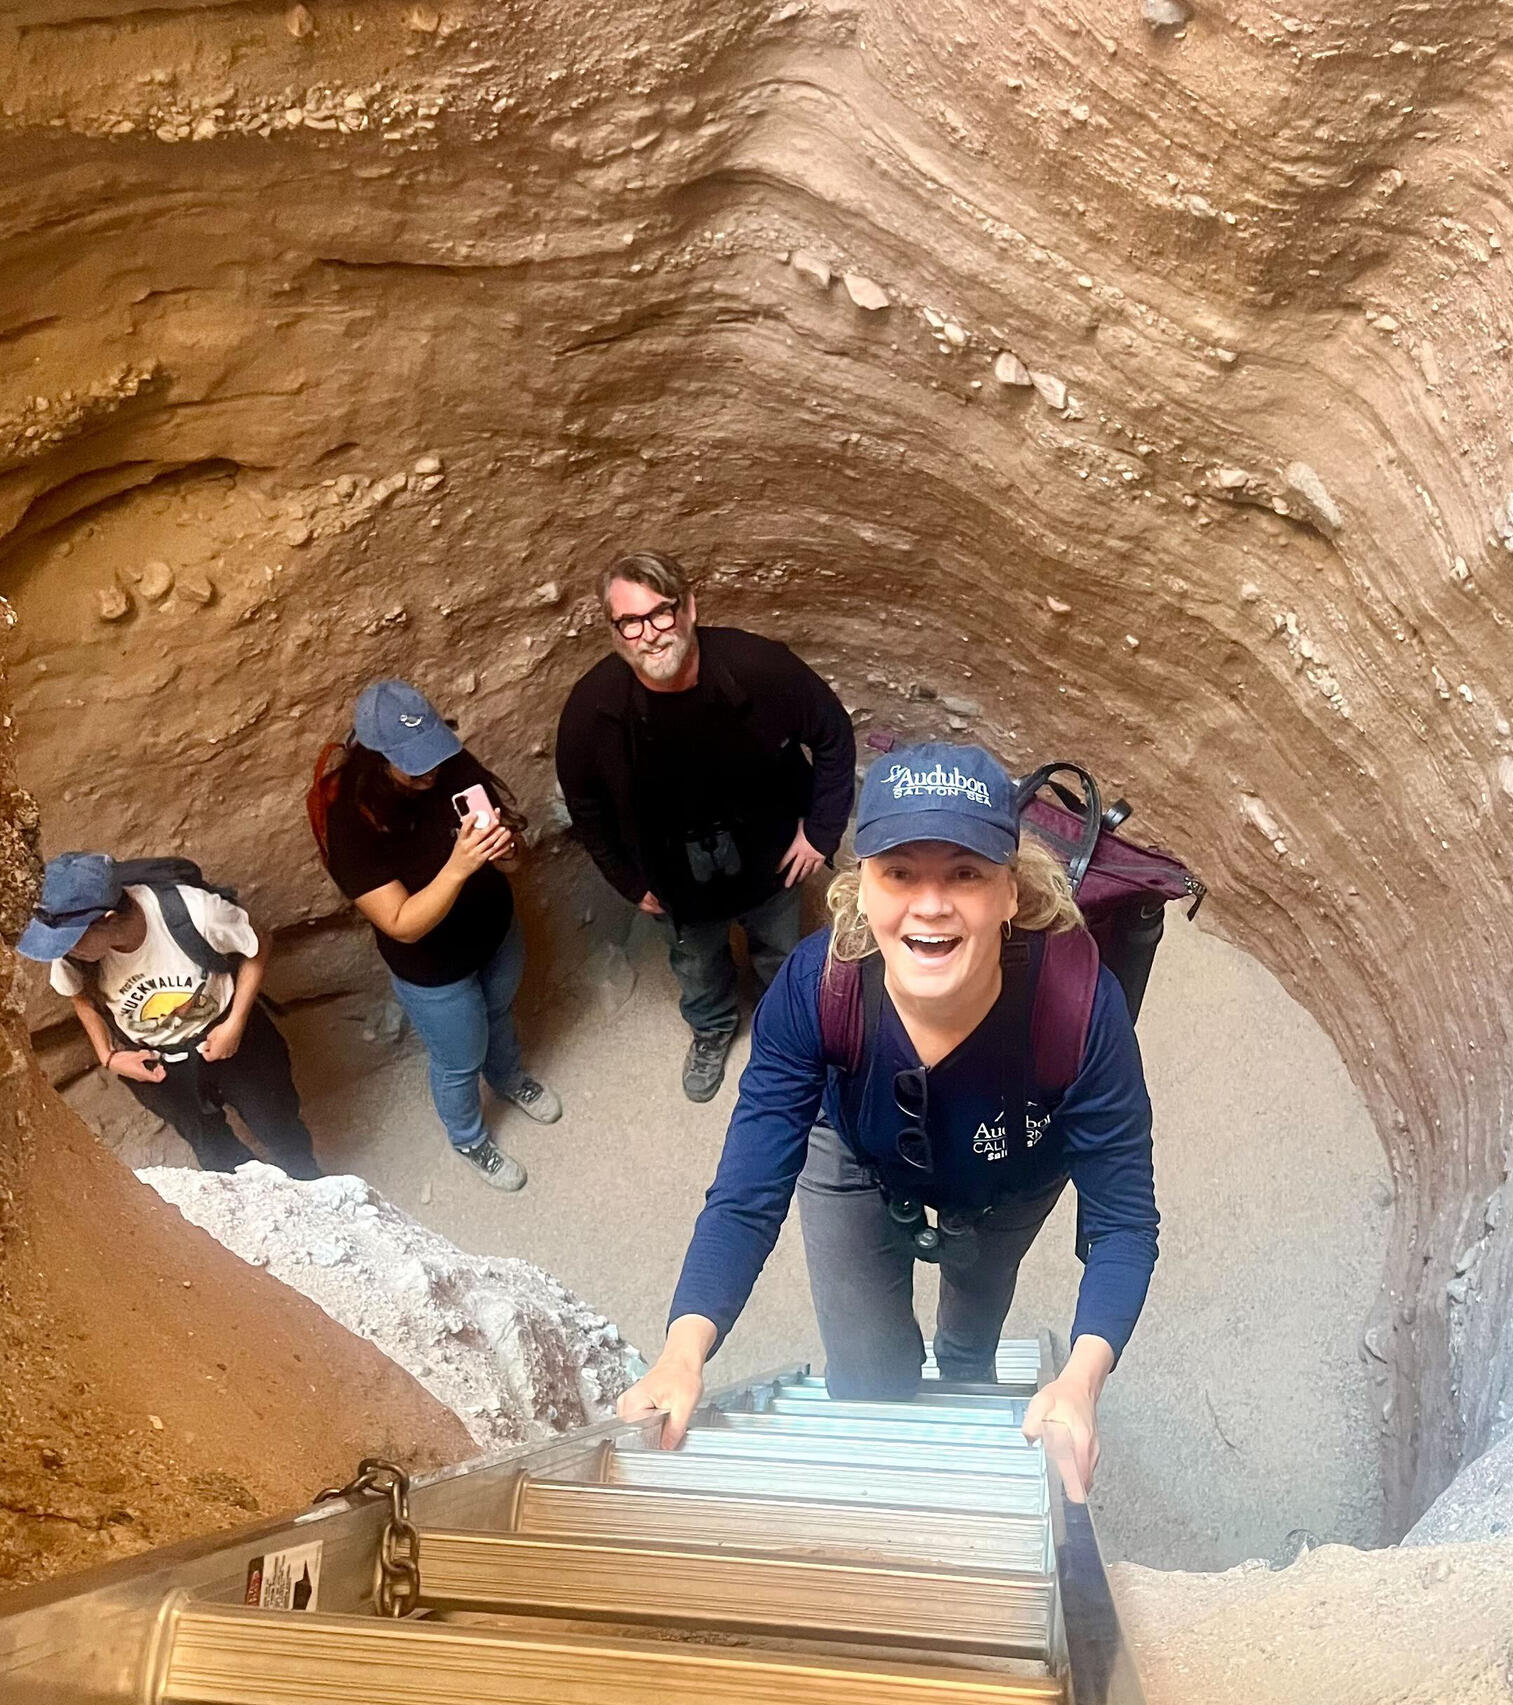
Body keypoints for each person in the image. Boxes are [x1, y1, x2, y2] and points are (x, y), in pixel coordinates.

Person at [617, 742, 1160, 1497]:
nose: (930, 903)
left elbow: (1124, 1220)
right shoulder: (817, 989)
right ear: (862, 889)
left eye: (965, 872)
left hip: (1011, 1175)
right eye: (899, 871)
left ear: (1010, 891)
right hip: (856, 1152)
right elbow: (749, 1189)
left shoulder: (1078, 1010)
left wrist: (1082, 1375)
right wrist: (684, 1350)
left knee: (973, 1327)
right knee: (868, 1377)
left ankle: (967, 1371)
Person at [555, 550, 857, 1103]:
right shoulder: (593, 710)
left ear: (689, 608)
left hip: (769, 851)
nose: (650, 634)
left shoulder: (760, 669)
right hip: (674, 873)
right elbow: (586, 805)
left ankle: (787, 1025)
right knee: (696, 961)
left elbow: (834, 736)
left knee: (780, 947)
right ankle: (713, 1027)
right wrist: (628, 881)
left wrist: (819, 832)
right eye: (630, 621)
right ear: (615, 632)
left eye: (661, 613)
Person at [313, 679, 561, 1192]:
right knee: (458, 1059)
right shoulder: (352, 822)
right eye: (413, 763)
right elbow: (401, 923)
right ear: (376, 757)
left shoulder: (454, 767)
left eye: (433, 753)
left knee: (498, 1014)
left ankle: (510, 1078)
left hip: (494, 935)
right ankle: (468, 1137)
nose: (430, 772)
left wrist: (507, 850)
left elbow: (513, 859)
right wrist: (458, 867)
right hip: (433, 969)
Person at [19, 850, 322, 1179]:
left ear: (107, 918)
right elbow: (79, 996)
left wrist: (235, 1023)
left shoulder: (195, 912)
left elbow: (259, 942)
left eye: (70, 941)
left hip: (231, 1038)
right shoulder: (74, 951)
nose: (62, 951)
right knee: (211, 1147)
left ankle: (309, 1186)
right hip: (159, 1064)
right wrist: (108, 1056)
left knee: (277, 1126)